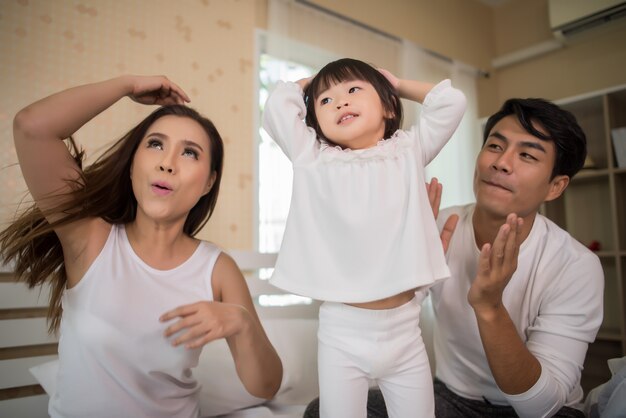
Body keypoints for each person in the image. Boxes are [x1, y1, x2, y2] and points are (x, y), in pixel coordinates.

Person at [0, 75, 282, 417]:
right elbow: (31, 127)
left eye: (190, 153)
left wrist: (242, 324)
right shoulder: (89, 239)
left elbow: (265, 386)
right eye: (155, 144)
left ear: (209, 182)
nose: (168, 163)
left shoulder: (217, 268)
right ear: (133, 164)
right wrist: (126, 86)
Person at [304, 97, 604, 418]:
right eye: (494, 146)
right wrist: (407, 273)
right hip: (451, 398)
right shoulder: (435, 225)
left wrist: (489, 308)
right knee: (321, 411)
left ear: (555, 186)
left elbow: (541, 406)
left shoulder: (576, 265)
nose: (501, 163)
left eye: (527, 155)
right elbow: (386, 321)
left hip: (542, 412)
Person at [262, 58, 466, 417]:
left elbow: (452, 103)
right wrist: (311, 82)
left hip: (404, 332)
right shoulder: (313, 158)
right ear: (317, 124)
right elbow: (278, 108)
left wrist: (396, 83)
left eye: (353, 89)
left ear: (388, 107)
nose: (339, 101)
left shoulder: (407, 152)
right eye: (325, 100)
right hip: (342, 333)